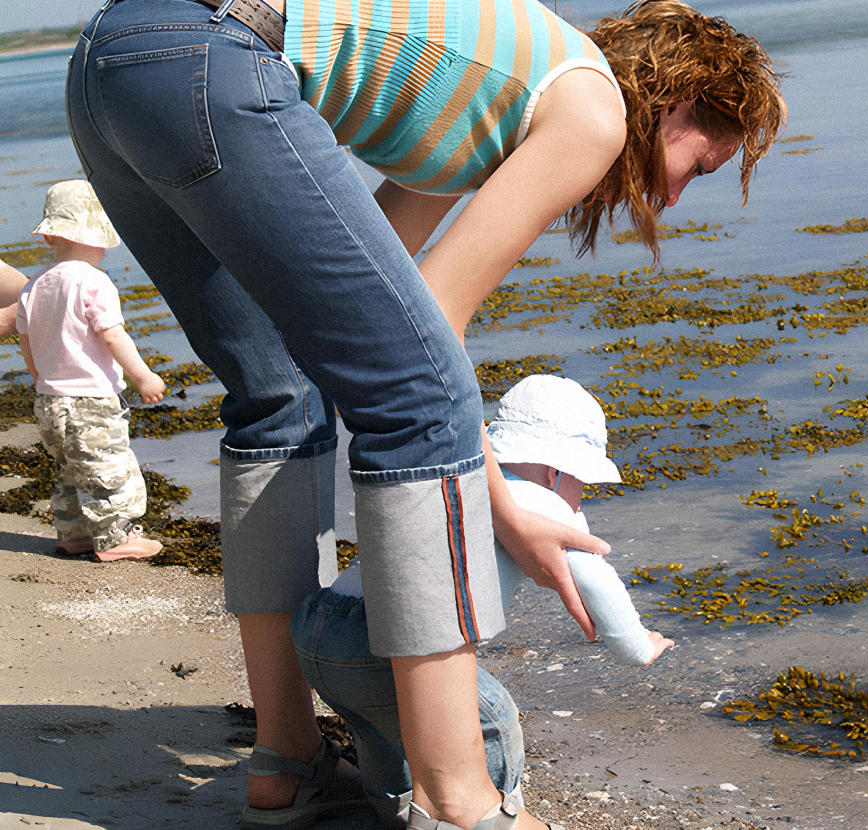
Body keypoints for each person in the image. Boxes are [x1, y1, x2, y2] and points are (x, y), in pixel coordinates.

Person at [67, 0, 783, 827]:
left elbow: (377, 295)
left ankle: (286, 758)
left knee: (278, 393)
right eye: (703, 164)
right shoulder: (593, 109)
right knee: (426, 397)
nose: (683, 194)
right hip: (217, 53)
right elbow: (428, 332)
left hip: (113, 58)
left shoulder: (481, 109)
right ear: (682, 102)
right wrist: (507, 511)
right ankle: (461, 801)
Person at [292, 374, 673, 828]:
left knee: (378, 730)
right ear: (557, 471)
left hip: (320, 627)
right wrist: (637, 646)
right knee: (491, 719)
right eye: (583, 483)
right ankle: (492, 816)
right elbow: (598, 580)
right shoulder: (542, 503)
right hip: (375, 641)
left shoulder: (461, 482)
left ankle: (394, 810)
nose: (581, 496)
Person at [14, 180, 167, 561]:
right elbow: (113, 337)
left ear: (50, 236)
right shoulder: (93, 281)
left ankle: (74, 535)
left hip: (50, 402)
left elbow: (25, 340)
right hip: (92, 401)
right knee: (109, 468)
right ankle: (117, 538)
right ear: (98, 238)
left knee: (68, 471)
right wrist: (143, 376)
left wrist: (39, 380)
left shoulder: (33, 287)